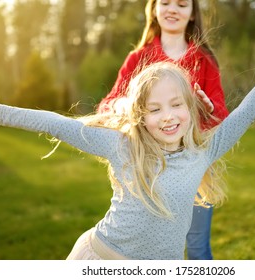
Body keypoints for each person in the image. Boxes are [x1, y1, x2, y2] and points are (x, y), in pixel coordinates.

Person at [0, 26, 255, 260]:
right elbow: (61, 125)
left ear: (190, 108)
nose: (168, 116)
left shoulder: (202, 152)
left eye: (176, 104)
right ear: (141, 116)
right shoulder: (123, 146)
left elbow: (246, 112)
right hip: (102, 259)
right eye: (155, 109)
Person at [98, 0, 229, 260]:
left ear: (192, 14)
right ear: (154, 9)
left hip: (192, 167)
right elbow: (106, 106)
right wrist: (125, 105)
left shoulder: (204, 61)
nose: (172, 9)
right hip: (147, 169)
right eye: (165, 2)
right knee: (146, 247)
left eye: (181, 4)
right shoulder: (138, 58)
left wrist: (208, 108)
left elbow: (221, 115)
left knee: (197, 246)